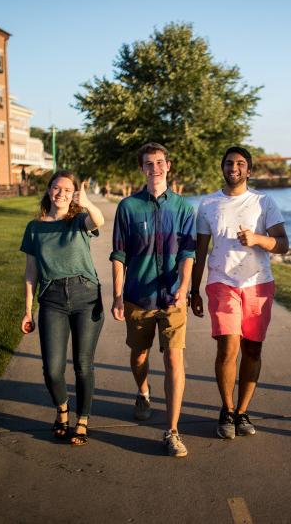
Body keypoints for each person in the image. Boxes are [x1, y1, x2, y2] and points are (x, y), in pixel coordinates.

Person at [190, 146, 289, 439]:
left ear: (249, 170)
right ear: (222, 167)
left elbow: (283, 243)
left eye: (241, 163)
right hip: (222, 281)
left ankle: (243, 411)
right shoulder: (208, 203)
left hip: (258, 284)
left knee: (253, 349)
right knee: (228, 347)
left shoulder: (264, 201)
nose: (234, 167)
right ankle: (227, 408)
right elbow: (200, 250)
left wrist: (259, 239)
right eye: (230, 162)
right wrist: (194, 290)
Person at [110, 142, 196, 458]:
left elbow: (188, 252)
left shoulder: (184, 208)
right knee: (139, 355)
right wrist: (118, 296)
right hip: (138, 297)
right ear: (142, 168)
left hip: (173, 297)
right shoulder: (128, 208)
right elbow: (119, 254)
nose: (155, 168)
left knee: (174, 359)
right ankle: (143, 391)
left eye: (160, 162)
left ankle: (172, 431)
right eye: (149, 163)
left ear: (168, 166)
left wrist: (184, 286)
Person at [20, 170, 105, 446]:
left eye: (67, 190)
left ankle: (82, 419)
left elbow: (99, 220)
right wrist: (27, 309)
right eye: (57, 188)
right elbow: (31, 271)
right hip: (52, 299)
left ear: (73, 195)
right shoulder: (35, 228)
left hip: (85, 295)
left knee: (83, 365)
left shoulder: (80, 220)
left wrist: (87, 201)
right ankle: (62, 409)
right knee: (53, 369)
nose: (61, 194)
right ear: (48, 191)